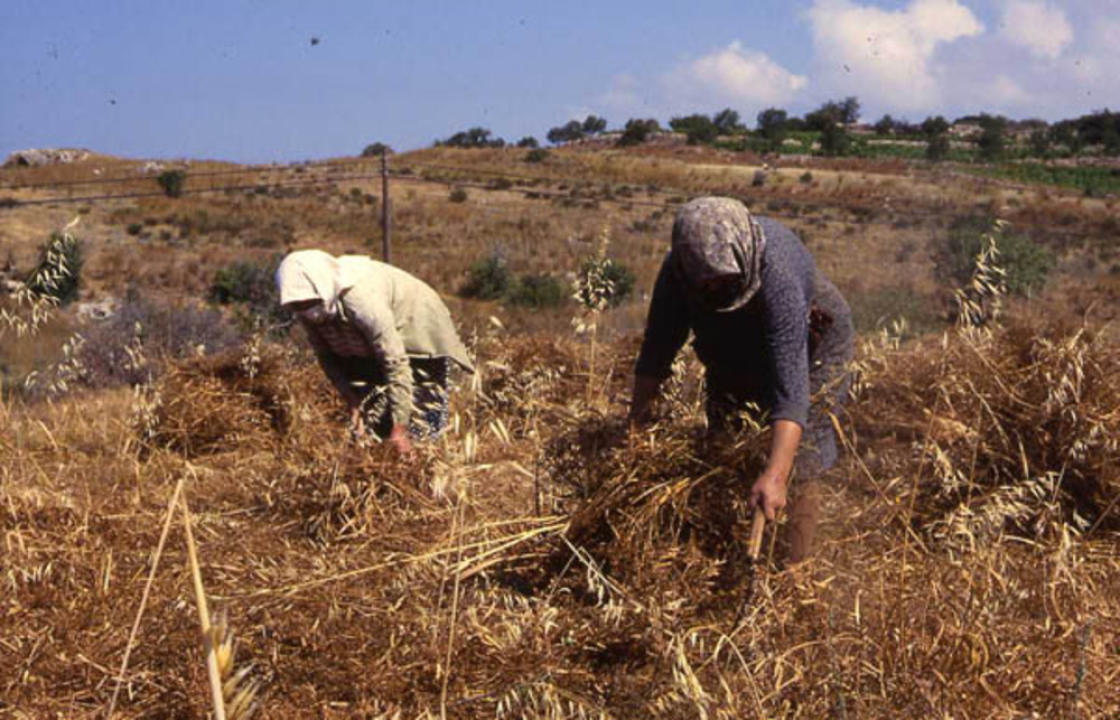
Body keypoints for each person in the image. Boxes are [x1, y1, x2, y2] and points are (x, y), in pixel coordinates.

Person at [629, 197, 853, 562]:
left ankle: (796, 571)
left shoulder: (777, 272)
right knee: (725, 438)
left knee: (805, 450)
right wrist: (635, 436)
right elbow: (655, 358)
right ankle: (724, 551)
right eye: (707, 288)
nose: (717, 292)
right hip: (732, 343)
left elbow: (791, 390)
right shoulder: (677, 271)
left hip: (814, 342)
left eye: (726, 283)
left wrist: (776, 475)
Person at [276, 249, 474, 455]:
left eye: (310, 303)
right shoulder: (305, 308)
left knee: (421, 419)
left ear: (323, 289)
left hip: (416, 323)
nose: (308, 310)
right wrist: (352, 400)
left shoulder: (360, 299)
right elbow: (326, 358)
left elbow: (395, 360)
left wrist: (400, 428)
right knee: (374, 419)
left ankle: (426, 462)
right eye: (298, 305)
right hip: (368, 341)